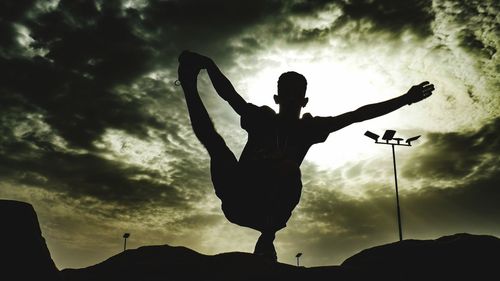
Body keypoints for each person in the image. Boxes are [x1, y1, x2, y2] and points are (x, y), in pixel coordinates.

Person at [177, 50, 434, 261]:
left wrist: (405, 99)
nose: (290, 101)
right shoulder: (261, 119)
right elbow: (230, 96)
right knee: (216, 144)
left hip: (270, 209)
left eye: (295, 96)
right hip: (238, 199)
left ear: (304, 101)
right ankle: (188, 86)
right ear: (277, 97)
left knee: (289, 167)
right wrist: (209, 66)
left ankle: (267, 237)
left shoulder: (309, 129)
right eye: (286, 96)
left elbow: (358, 114)